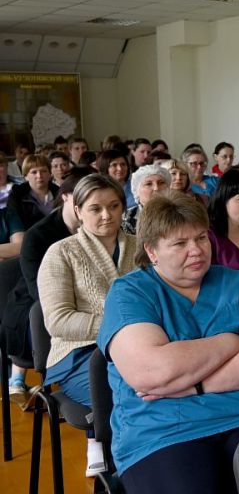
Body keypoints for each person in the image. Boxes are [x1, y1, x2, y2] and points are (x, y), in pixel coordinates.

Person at [96, 193, 239, 493]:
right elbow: (153, 372)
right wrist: (231, 341)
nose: (196, 250)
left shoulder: (235, 283)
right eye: (180, 243)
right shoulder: (130, 293)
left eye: (201, 238)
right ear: (152, 251)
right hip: (163, 430)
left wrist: (198, 386)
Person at [38, 174, 137, 476]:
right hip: (79, 354)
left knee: (164, 386)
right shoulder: (61, 252)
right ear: (78, 211)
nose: (107, 215)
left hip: (135, 346)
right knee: (129, 392)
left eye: (114, 206)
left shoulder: (140, 247)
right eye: (96, 208)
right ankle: (125, 471)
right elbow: (58, 321)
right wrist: (121, 328)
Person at [2, 168, 92, 401]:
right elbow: (38, 291)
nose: (92, 205)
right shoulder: (39, 235)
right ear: (66, 196)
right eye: (83, 197)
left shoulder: (96, 229)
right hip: (33, 306)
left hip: (81, 306)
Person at [7, 154, 59, 231]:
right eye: (34, 172)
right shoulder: (17, 195)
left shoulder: (60, 193)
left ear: (49, 174)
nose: (39, 176)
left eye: (43, 171)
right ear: (26, 176)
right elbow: (14, 223)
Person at [122, 164, 171, 235]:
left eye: (161, 183)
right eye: (148, 184)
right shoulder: (126, 218)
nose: (156, 188)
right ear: (136, 191)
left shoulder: (181, 213)